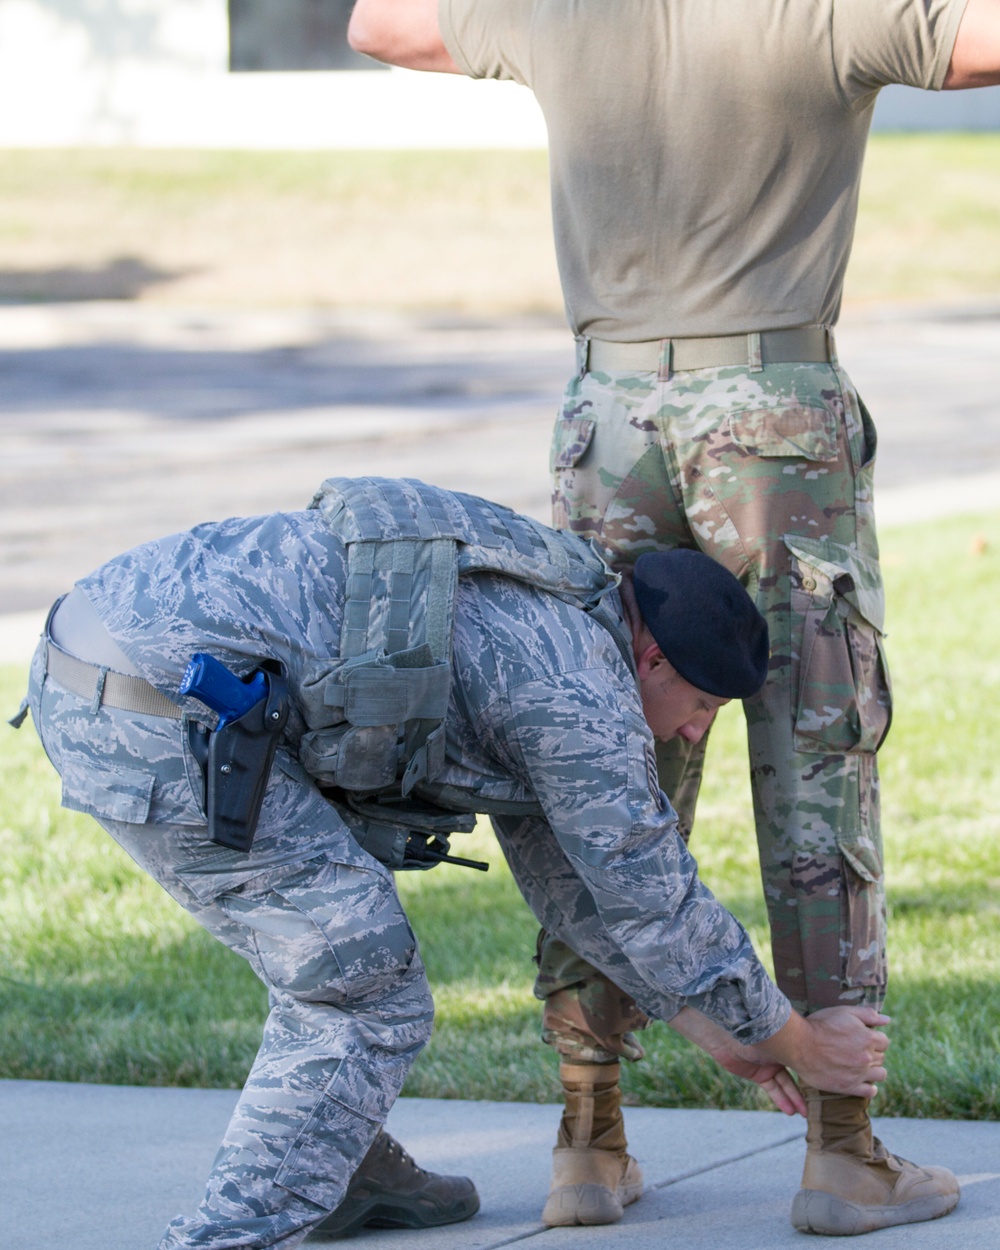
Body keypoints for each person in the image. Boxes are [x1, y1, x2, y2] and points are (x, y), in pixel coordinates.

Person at [345, 0, 1000, 1236]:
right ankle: (842, 1150)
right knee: (815, 771)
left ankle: (587, 1142)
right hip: (774, 419)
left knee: (595, 763)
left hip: (605, 419)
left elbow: (380, 25)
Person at [9, 476, 894, 1250]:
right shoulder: (578, 692)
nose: (696, 731)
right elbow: (655, 899)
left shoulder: (567, 616)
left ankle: (350, 1170)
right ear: (653, 657)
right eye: (700, 704)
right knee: (361, 989)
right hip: (158, 707)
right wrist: (800, 1041)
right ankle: (222, 1238)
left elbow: (579, 894)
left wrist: (720, 1035)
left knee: (331, 944)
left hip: (118, 660)